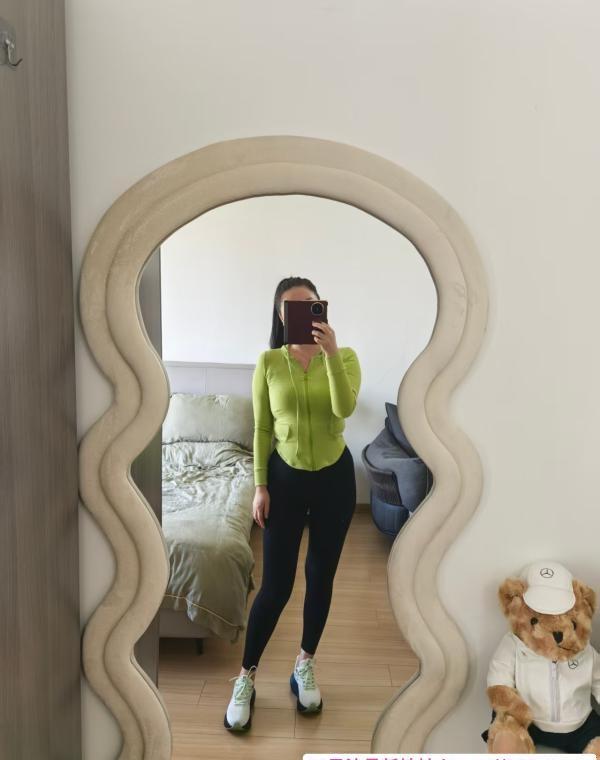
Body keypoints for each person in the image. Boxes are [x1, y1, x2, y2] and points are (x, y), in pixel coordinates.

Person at [224, 276, 361, 732]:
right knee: (276, 587)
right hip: (284, 480)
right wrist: (259, 486)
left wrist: (330, 353)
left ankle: (304, 663)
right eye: (291, 308)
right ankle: (245, 677)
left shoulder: (345, 357)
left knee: (321, 576)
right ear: (280, 316)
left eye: (310, 305)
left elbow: (343, 408)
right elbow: (262, 428)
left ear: (322, 309)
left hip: (335, 481)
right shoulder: (268, 362)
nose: (302, 314)